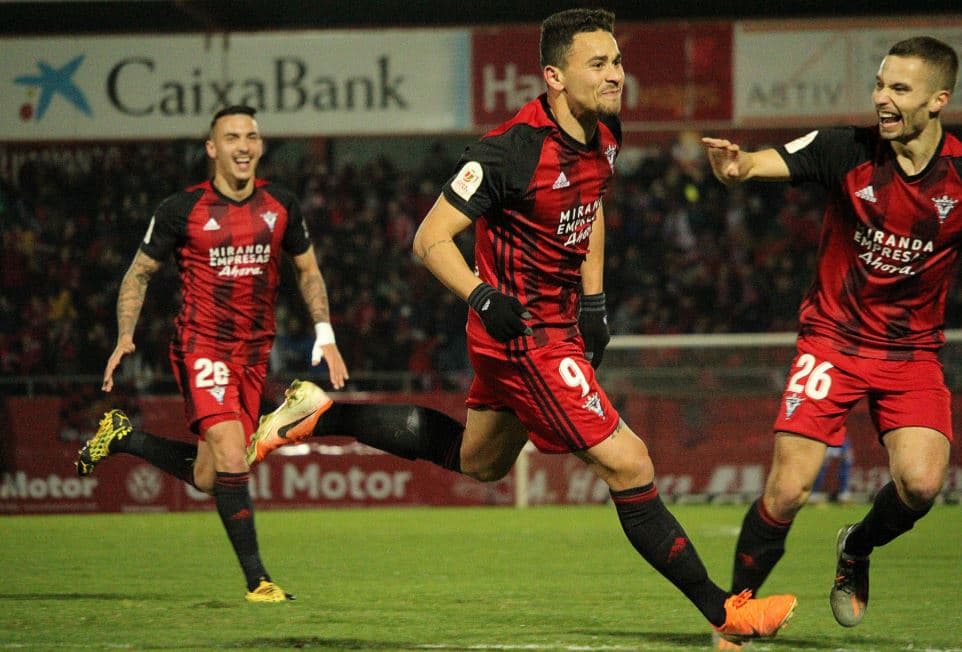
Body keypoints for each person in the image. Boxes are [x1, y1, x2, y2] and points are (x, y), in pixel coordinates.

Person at [249, 8, 794, 644]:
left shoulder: (607, 132)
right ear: (553, 77)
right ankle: (726, 615)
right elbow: (430, 240)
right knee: (630, 462)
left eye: (617, 61)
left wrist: (594, 302)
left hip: (558, 323)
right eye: (599, 64)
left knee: (478, 461)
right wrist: (482, 295)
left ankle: (320, 414)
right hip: (523, 335)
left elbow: (588, 211)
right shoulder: (510, 151)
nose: (616, 74)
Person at [703, 35, 959, 638]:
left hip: (911, 352)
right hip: (833, 342)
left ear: (938, 100)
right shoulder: (846, 149)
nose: (882, 99)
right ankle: (734, 614)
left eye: (900, 89)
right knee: (788, 489)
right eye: (879, 84)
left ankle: (856, 547)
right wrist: (738, 167)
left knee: (921, 486)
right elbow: (767, 161)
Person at [75, 105, 349, 603]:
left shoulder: (281, 205)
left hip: (252, 355)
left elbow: (308, 271)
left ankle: (124, 438)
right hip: (201, 345)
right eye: (231, 137)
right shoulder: (180, 209)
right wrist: (124, 336)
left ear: (261, 146)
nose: (242, 146)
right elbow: (138, 273)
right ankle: (258, 581)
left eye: (251, 136)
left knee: (210, 475)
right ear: (212, 148)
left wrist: (325, 334)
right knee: (229, 454)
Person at [811, 437, 854, 504]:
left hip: (839, 438)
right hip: (825, 438)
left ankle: (843, 494)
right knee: (820, 465)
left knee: (847, 461)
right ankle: (814, 494)